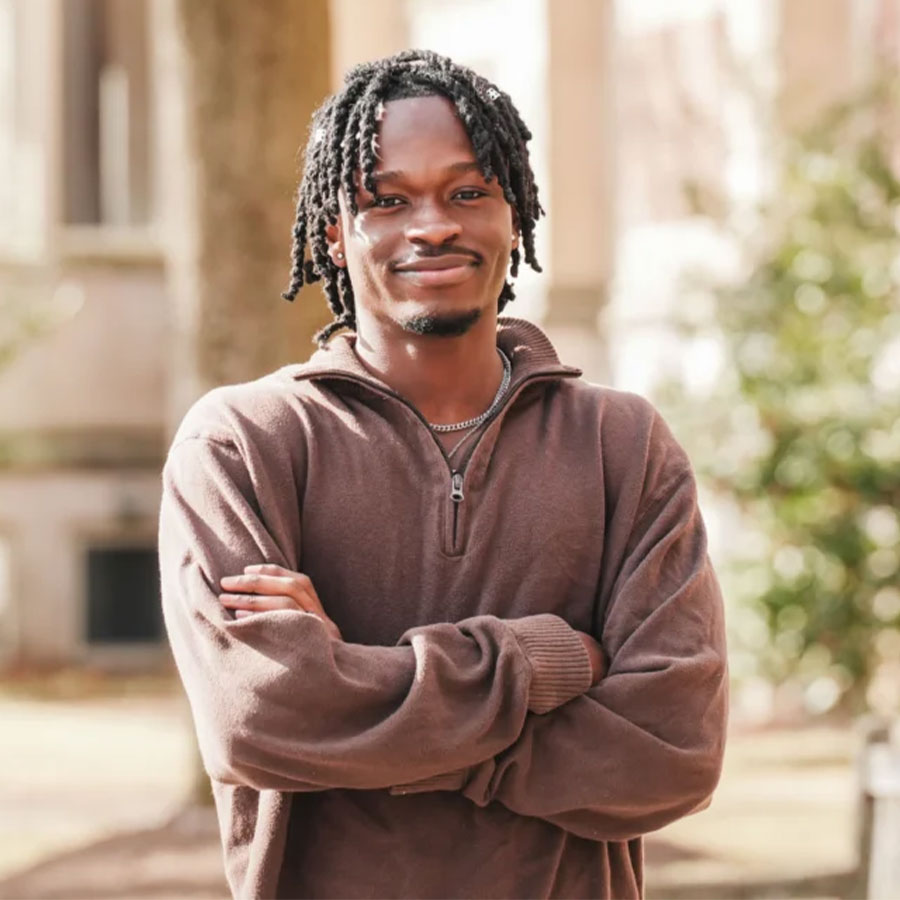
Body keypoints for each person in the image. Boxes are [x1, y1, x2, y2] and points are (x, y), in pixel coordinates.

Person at [159, 49, 728, 900]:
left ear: (513, 215)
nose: (432, 225)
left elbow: (672, 750)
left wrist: (359, 688)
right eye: (386, 200)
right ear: (334, 234)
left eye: (468, 192)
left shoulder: (622, 445)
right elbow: (263, 717)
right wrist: (543, 664)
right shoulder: (245, 443)